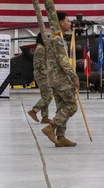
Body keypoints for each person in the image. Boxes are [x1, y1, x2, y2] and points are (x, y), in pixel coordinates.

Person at [40, 12, 80, 147]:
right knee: (72, 106)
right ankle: (51, 127)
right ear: (61, 23)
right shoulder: (58, 39)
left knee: (61, 107)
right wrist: (74, 76)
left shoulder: (54, 37)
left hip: (53, 78)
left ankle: (61, 136)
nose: (70, 23)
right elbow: (63, 60)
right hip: (61, 78)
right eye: (67, 21)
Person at [27, 31, 52, 124]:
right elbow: (39, 64)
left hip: (42, 74)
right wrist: (46, 74)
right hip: (42, 75)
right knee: (49, 95)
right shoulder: (40, 49)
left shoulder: (43, 48)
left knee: (45, 95)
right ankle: (34, 111)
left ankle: (45, 117)